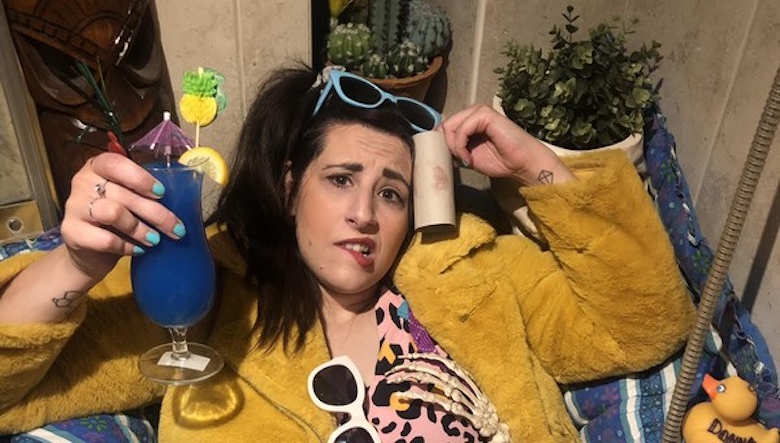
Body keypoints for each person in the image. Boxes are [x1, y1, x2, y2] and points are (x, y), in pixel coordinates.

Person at [0, 65, 694, 442]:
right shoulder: (210, 301)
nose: (365, 213)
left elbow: (643, 325)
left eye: (391, 193)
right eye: (340, 180)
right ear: (289, 187)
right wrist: (77, 263)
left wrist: (536, 166)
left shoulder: (476, 273)